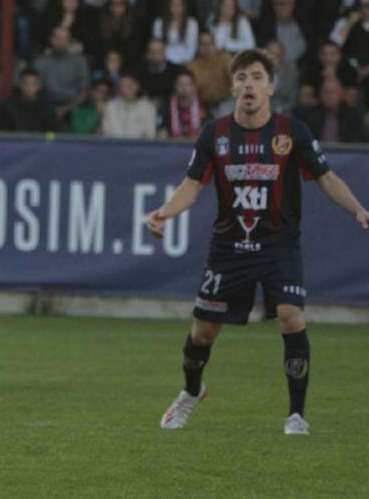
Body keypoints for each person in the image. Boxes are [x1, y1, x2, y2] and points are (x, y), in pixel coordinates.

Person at [148, 48, 369, 435]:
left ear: (270, 86)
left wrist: (358, 210)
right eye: (240, 78)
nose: (247, 84)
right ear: (232, 87)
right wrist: (165, 212)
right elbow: (192, 185)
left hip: (278, 245)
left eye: (255, 77)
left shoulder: (292, 132)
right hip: (228, 248)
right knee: (203, 333)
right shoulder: (214, 134)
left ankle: (296, 416)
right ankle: (191, 392)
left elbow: (327, 178)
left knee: (291, 316)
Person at [33, 25, 90, 120]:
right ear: (51, 39)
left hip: (74, 108)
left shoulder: (80, 61)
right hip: (45, 107)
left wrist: (64, 109)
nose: (62, 42)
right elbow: (35, 90)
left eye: (65, 38)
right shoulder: (40, 62)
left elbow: (84, 91)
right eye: (58, 38)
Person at [294, 77, 363, 144]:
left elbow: (355, 143)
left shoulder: (352, 115)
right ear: (320, 94)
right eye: (325, 92)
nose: (329, 96)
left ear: (341, 94)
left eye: (333, 92)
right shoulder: (310, 114)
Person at [102, 73, 156, 139]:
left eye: (129, 86)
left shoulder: (148, 107)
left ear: (137, 86)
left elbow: (150, 135)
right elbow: (107, 133)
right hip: (114, 147)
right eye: (122, 86)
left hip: (140, 148)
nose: (124, 90)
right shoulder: (110, 106)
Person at [188, 31, 232, 109]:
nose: (206, 47)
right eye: (203, 44)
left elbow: (235, 77)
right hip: (203, 104)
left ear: (215, 45)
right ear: (198, 47)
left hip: (226, 100)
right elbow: (192, 92)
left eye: (209, 44)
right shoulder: (192, 66)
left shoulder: (224, 59)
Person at [153, 0, 199, 65]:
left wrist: (184, 62)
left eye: (179, 4)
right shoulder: (159, 23)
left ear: (184, 6)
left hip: (185, 62)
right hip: (164, 62)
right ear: (168, 6)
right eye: (173, 4)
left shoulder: (192, 24)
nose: (176, 7)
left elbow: (191, 48)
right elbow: (158, 46)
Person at [159, 69, 204, 138]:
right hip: (172, 146)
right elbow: (162, 132)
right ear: (175, 86)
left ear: (194, 87)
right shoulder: (166, 106)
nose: (184, 88)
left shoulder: (204, 106)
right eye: (180, 84)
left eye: (187, 84)